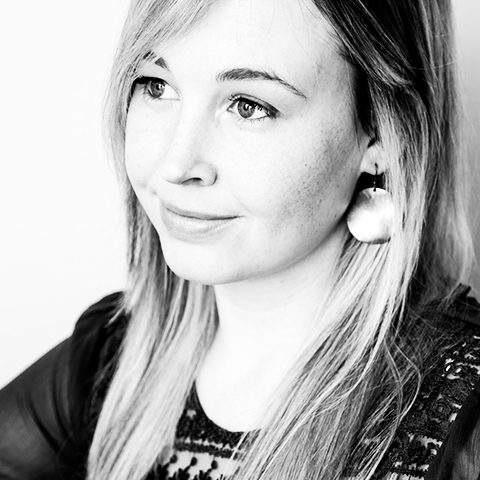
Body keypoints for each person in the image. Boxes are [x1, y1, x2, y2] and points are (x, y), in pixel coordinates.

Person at [1, 0, 479, 479]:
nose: (176, 164)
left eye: (249, 106)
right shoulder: (106, 364)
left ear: (382, 136)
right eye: (156, 86)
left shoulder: (462, 415)